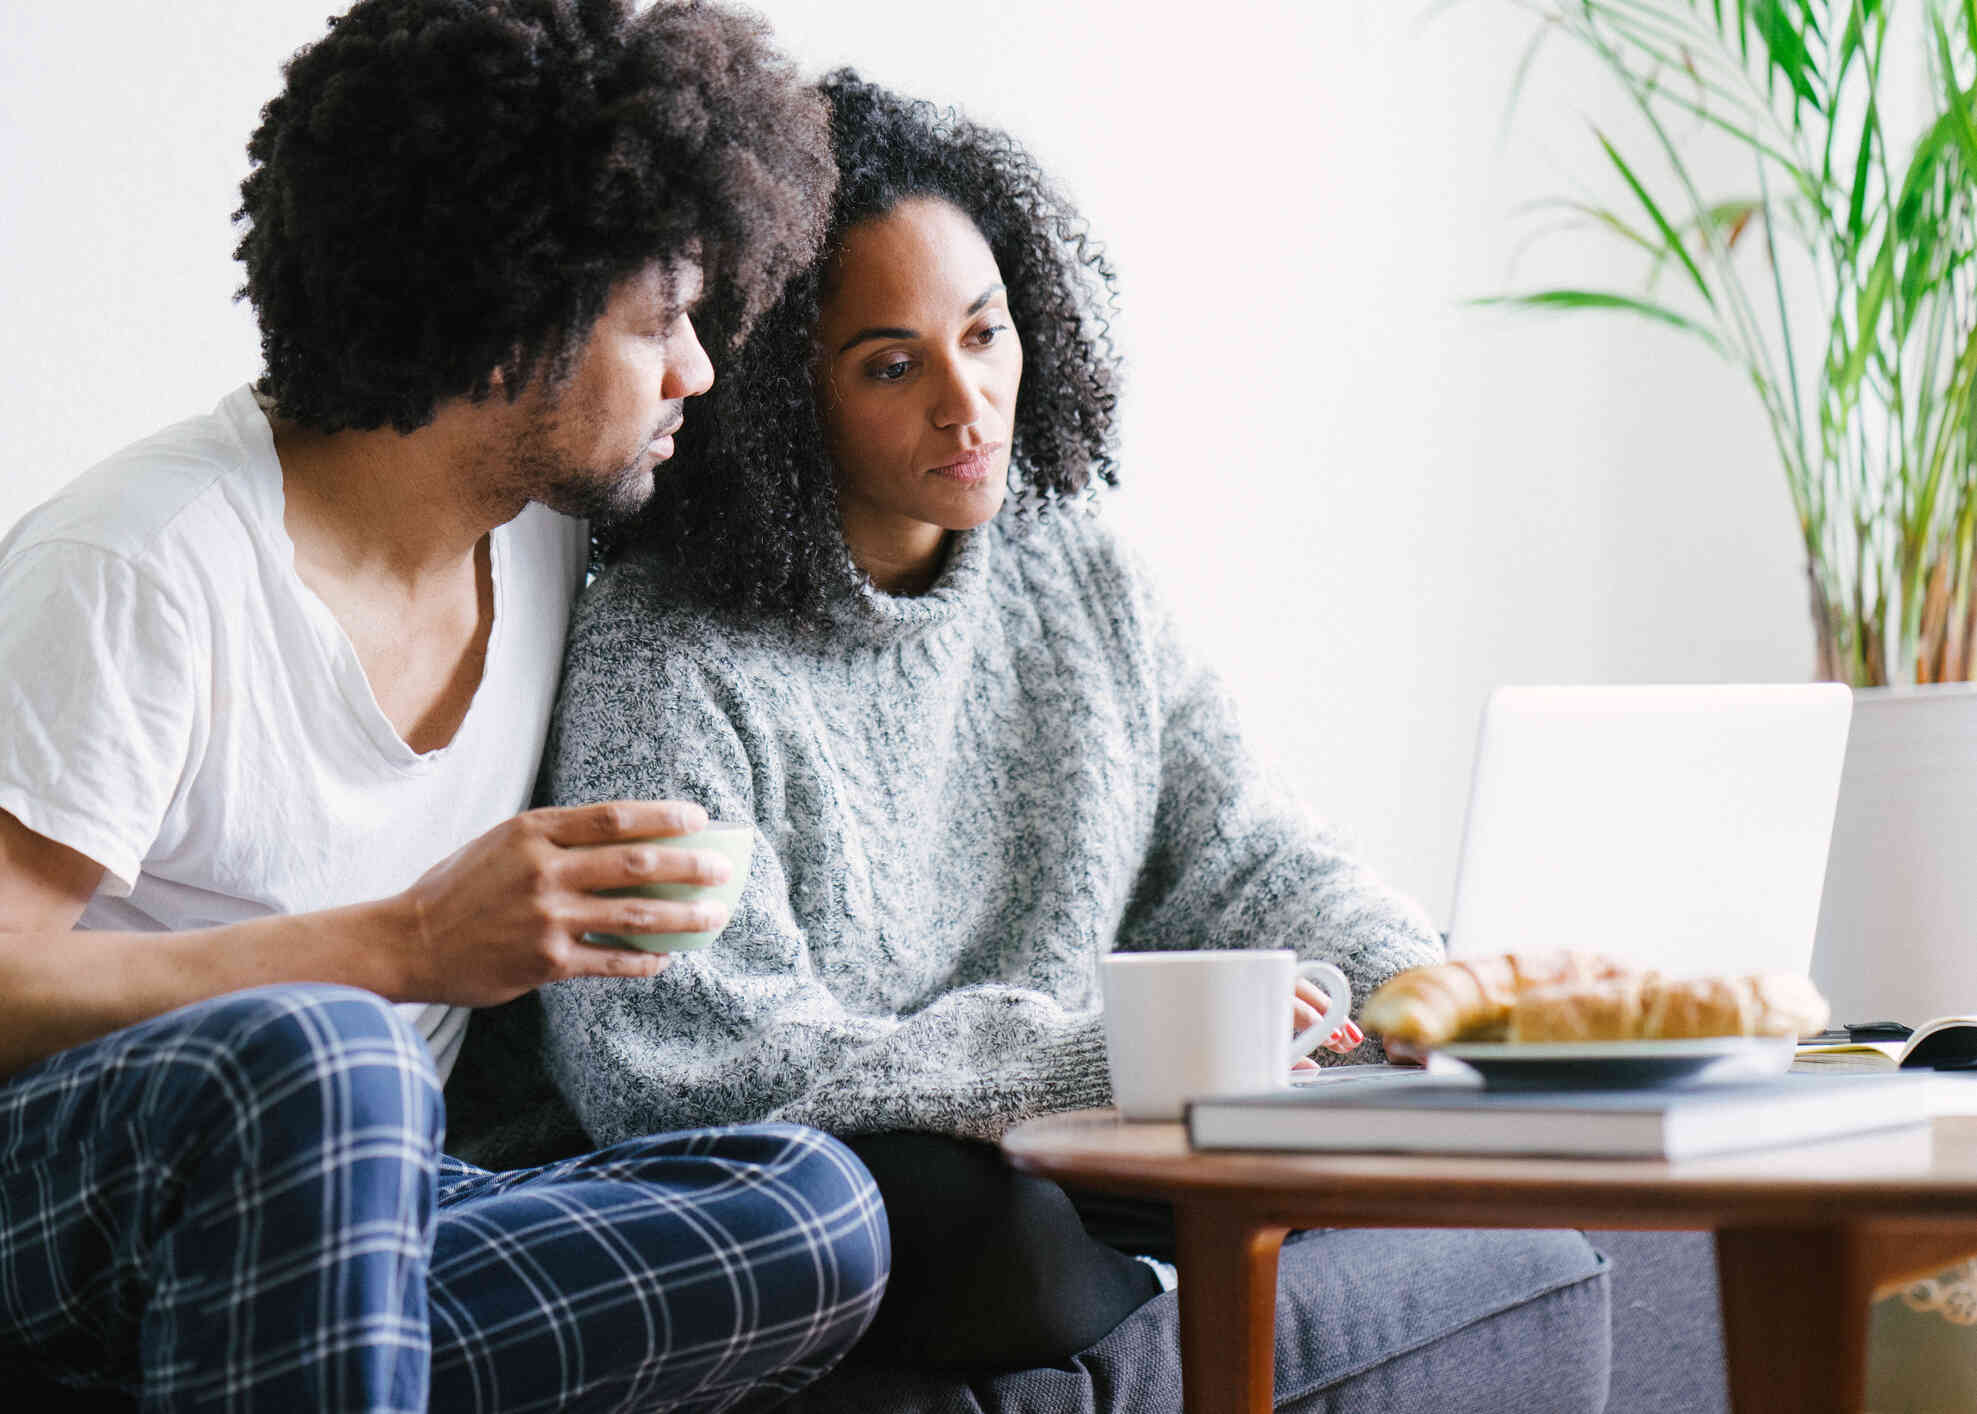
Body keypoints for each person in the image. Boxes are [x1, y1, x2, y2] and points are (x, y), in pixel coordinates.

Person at [0, 5, 890, 1410]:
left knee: (812, 1202)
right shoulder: (151, 556)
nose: (696, 371)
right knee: (330, 1049)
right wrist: (400, 945)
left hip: (361, 1201)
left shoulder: (544, 536)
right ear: (501, 318)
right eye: (660, 322)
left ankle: (265, 1342)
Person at [448, 71, 1444, 1371]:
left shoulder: (1080, 579)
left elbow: (1246, 858)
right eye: (889, 363)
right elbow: (682, 1061)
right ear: (776, 392)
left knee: (1411, 1125)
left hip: (1069, 1130)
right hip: (816, 1176)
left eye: (984, 333)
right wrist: (1098, 1057)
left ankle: (1176, 1240)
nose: (965, 404)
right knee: (978, 1222)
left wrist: (1438, 989)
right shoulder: (670, 650)